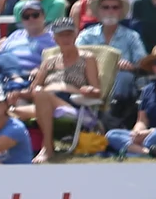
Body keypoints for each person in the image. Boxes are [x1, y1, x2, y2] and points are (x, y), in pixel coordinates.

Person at [27, 17, 102, 161]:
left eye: (69, 34)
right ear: (54, 38)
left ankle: (47, 148)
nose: (66, 38)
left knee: (39, 94)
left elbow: (98, 92)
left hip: (72, 101)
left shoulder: (87, 58)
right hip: (45, 101)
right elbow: (34, 88)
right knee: (9, 109)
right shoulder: (49, 61)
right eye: (61, 35)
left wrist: (89, 90)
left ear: (75, 34)